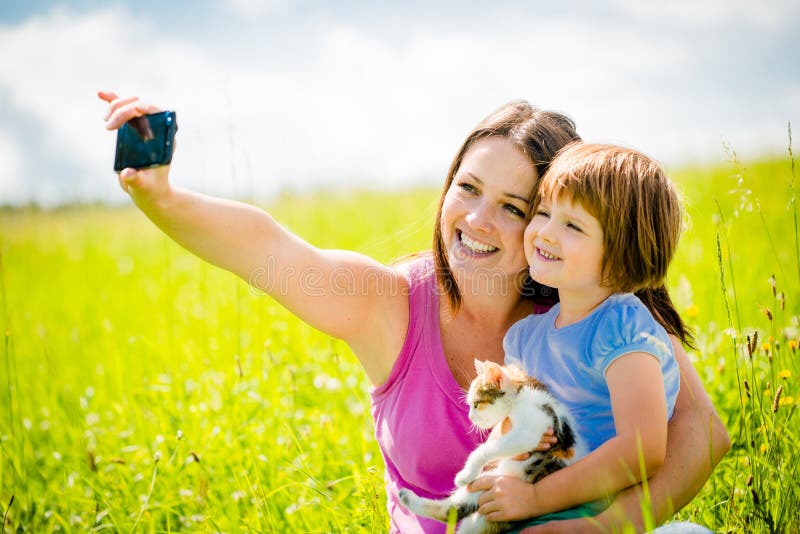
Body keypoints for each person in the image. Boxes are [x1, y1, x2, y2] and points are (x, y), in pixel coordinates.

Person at [98, 92, 730, 533]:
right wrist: (163, 198)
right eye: (468, 188)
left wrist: (610, 529)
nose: (478, 220)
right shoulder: (391, 304)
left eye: (515, 206)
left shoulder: (593, 307)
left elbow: (701, 432)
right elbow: (269, 251)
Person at [481, 143, 680, 531]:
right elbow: (509, 436)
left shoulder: (622, 329)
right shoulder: (523, 338)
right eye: (543, 212)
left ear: (624, 253)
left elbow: (644, 448)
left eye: (572, 226)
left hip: (591, 516)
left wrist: (536, 498)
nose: (545, 233)